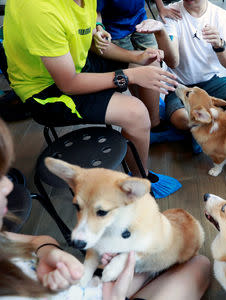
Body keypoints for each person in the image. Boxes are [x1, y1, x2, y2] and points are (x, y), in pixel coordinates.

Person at [0, 117, 211, 299]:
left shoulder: (4, 239)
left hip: (94, 287)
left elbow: (38, 240)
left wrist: (47, 251)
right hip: (107, 293)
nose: (10, 184)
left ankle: (145, 268)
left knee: (171, 259)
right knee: (200, 265)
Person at [3, 0, 181, 197]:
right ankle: (139, 179)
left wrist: (136, 57)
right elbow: (68, 83)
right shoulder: (39, 9)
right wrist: (130, 76)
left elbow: (89, 41)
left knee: (150, 65)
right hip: (45, 91)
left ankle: (152, 127)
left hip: (74, 64)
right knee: (136, 113)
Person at [142, 0, 226, 132]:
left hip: (212, 83)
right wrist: (161, 32)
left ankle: (216, 126)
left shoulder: (221, 15)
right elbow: (173, 62)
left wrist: (219, 44)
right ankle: (219, 124)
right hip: (180, 89)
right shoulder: (170, 13)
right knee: (183, 119)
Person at [94, 0, 182, 132]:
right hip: (115, 31)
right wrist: (99, 27)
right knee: (135, 70)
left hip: (140, 21)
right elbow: (96, 11)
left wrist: (161, 8)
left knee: (154, 60)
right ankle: (150, 118)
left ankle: (153, 116)